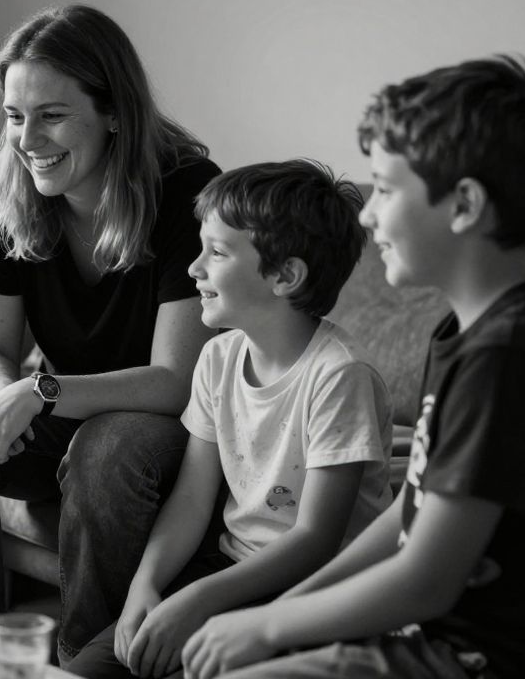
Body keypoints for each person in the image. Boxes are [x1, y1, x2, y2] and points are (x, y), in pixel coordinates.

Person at [181, 55, 525, 679]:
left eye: (386, 190)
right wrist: (285, 609)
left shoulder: (509, 358)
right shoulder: (471, 332)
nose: (367, 213)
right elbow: (409, 511)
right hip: (439, 641)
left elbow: (425, 583)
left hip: (488, 659)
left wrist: (267, 625)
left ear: (465, 204)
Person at [0, 3, 220, 662]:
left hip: (160, 424)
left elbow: (174, 381)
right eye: (16, 116)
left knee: (108, 447)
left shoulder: (187, 190)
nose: (28, 139)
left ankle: (82, 660)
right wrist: (1, 398)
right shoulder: (6, 188)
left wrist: (39, 391)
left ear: (112, 112)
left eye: (51, 115)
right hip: (57, 408)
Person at [68, 160, 394, 679]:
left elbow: (315, 539)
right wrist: (144, 588)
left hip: (311, 591)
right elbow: (192, 500)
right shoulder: (218, 360)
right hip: (228, 571)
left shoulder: (339, 377)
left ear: (285, 275)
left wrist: (198, 601)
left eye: (216, 252)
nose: (193, 268)